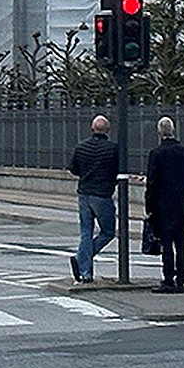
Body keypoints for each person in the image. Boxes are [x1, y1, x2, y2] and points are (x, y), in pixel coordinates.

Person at [145, 115, 184, 293]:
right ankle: (181, 278)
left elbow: (152, 182)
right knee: (181, 243)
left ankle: (168, 279)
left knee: (166, 244)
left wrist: (150, 207)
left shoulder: (156, 154)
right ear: (173, 130)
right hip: (181, 204)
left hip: (163, 205)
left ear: (159, 132)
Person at [68, 114, 119, 284]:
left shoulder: (82, 147)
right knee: (108, 231)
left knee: (86, 232)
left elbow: (73, 168)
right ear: (107, 130)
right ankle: (82, 259)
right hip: (103, 194)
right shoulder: (112, 149)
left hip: (84, 193)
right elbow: (118, 169)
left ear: (92, 128)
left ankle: (85, 271)